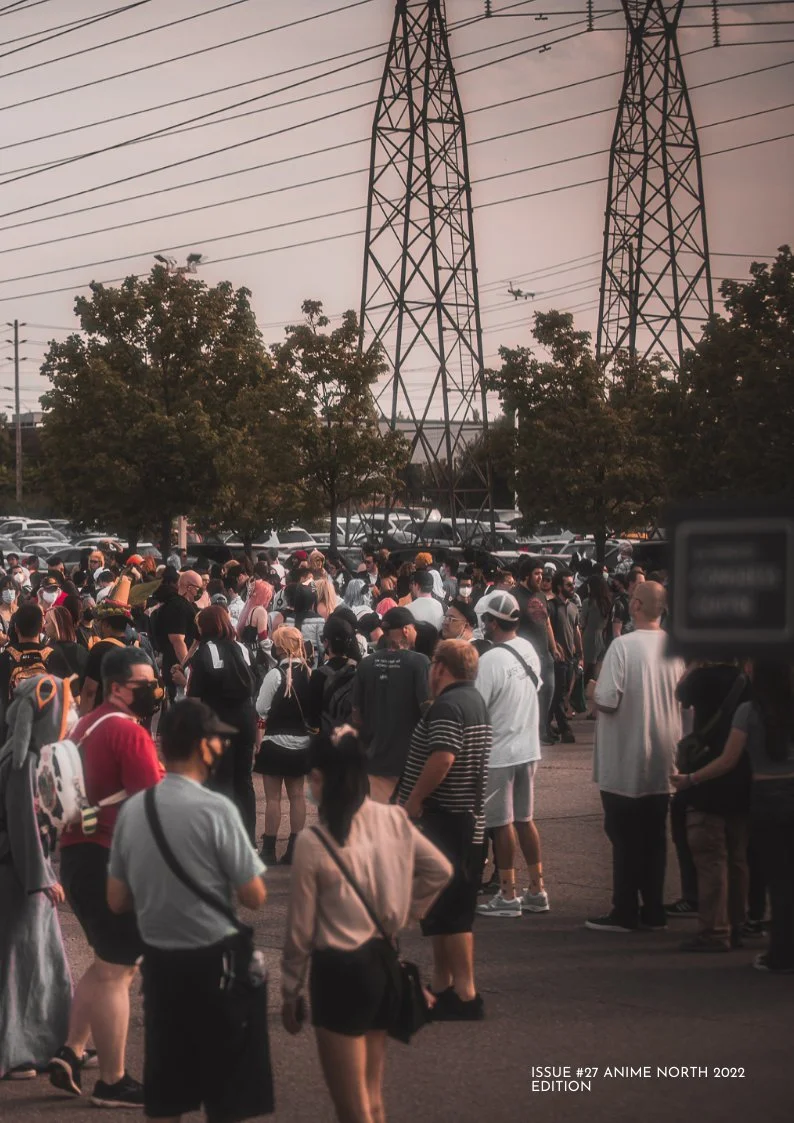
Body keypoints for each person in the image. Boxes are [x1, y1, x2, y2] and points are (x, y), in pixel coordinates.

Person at [107, 699, 271, 1123]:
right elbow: (253, 896)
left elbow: (116, 899)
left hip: (161, 965)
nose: (221, 746)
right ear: (203, 746)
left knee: (167, 1093)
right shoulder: (217, 810)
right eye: (216, 739)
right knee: (225, 1094)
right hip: (215, 965)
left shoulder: (133, 810)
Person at [281, 729, 452, 1123]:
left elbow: (299, 932)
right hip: (382, 962)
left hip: (338, 971)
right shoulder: (392, 819)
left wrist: (290, 991)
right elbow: (439, 870)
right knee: (372, 1099)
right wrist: (405, 912)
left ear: (320, 778)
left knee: (351, 1107)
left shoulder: (314, 841)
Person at [50, 647, 164, 1108]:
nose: (153, 690)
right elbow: (152, 805)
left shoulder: (86, 724)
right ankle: (113, 1081)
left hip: (79, 855)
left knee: (107, 961)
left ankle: (71, 1050)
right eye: (144, 684)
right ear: (118, 687)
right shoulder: (129, 733)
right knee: (119, 969)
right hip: (109, 860)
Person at [672, 660, 794, 973]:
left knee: (717, 861)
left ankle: (718, 930)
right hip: (759, 790)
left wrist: (691, 779)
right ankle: (743, 925)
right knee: (747, 863)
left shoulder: (747, 710)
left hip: (755, 794)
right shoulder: (754, 693)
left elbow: (727, 758)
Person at [398, 639, 492, 1019]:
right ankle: (442, 986)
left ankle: (465, 994)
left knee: (453, 910)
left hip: (448, 819)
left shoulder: (448, 706)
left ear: (440, 667)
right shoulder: (473, 700)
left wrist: (414, 799)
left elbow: (443, 756)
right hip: (462, 818)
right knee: (441, 907)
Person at [587, 582, 685, 933]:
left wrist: (591, 690)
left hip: (625, 761)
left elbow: (608, 699)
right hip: (664, 759)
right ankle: (653, 909)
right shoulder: (675, 648)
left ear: (638, 605)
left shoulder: (623, 646)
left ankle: (625, 910)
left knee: (624, 838)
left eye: (632, 598)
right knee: (655, 838)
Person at [0, 676, 73, 1081]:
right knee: (22, 964)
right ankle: (15, 1050)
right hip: (20, 874)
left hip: (21, 871)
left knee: (41, 961)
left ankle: (50, 1041)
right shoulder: (24, 762)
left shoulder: (19, 754)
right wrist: (44, 877)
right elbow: (24, 826)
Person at [473, 593, 549, 919]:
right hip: (528, 747)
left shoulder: (490, 661)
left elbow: (476, 706)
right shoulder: (528, 649)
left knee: (501, 823)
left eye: (484, 620)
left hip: (499, 753)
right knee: (525, 819)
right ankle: (537, 890)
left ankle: (507, 896)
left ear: (492, 622)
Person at [671, 662, 752, 952]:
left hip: (707, 779)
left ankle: (715, 931)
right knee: (737, 859)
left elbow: (680, 694)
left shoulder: (701, 678)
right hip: (742, 778)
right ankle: (737, 924)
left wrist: (694, 664)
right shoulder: (746, 682)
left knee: (711, 861)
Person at [171, 605, 257, 844]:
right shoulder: (243, 648)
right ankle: (248, 839)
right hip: (245, 719)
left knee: (220, 781)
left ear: (205, 627)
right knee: (244, 780)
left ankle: (222, 840)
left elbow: (194, 697)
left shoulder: (205, 652)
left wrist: (182, 681)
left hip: (217, 721)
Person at [352, 606, 430, 804]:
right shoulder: (420, 663)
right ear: (406, 630)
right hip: (411, 761)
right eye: (414, 628)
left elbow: (356, 715)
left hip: (375, 759)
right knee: (406, 817)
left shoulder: (366, 664)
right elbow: (428, 710)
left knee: (381, 818)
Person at [254, 626, 313, 865]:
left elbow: (261, 708)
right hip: (302, 743)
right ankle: (294, 849)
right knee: (297, 796)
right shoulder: (310, 673)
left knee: (273, 799)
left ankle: (269, 850)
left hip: (275, 742)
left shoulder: (276, 674)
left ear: (279, 647)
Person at [514, 557, 561, 745]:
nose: (541, 577)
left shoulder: (540, 595)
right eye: (537, 574)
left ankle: (542, 729)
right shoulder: (514, 596)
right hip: (525, 656)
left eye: (542, 573)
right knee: (529, 695)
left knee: (548, 690)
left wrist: (554, 647)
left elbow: (547, 622)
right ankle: (532, 731)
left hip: (544, 653)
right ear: (527, 575)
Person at [0, 602, 53, 732]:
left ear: (16, 628)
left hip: (13, 729)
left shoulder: (6, 657)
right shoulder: (52, 656)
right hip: (45, 730)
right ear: (41, 628)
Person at [547, 570, 582, 744]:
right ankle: (564, 728)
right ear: (559, 587)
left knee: (562, 694)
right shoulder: (551, 606)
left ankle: (546, 725)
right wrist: (554, 647)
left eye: (572, 584)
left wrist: (580, 653)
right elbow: (547, 629)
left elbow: (576, 630)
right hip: (556, 659)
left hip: (570, 658)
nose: (572, 587)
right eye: (568, 584)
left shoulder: (573, 607)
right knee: (559, 695)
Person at [156, 570, 202, 701]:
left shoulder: (183, 605)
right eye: (198, 588)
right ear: (189, 587)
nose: (200, 592)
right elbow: (177, 641)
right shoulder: (178, 606)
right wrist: (185, 669)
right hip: (176, 669)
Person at [44, 603, 89, 682]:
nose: (44, 626)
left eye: (47, 622)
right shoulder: (81, 650)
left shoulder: (49, 651)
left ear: (56, 625)